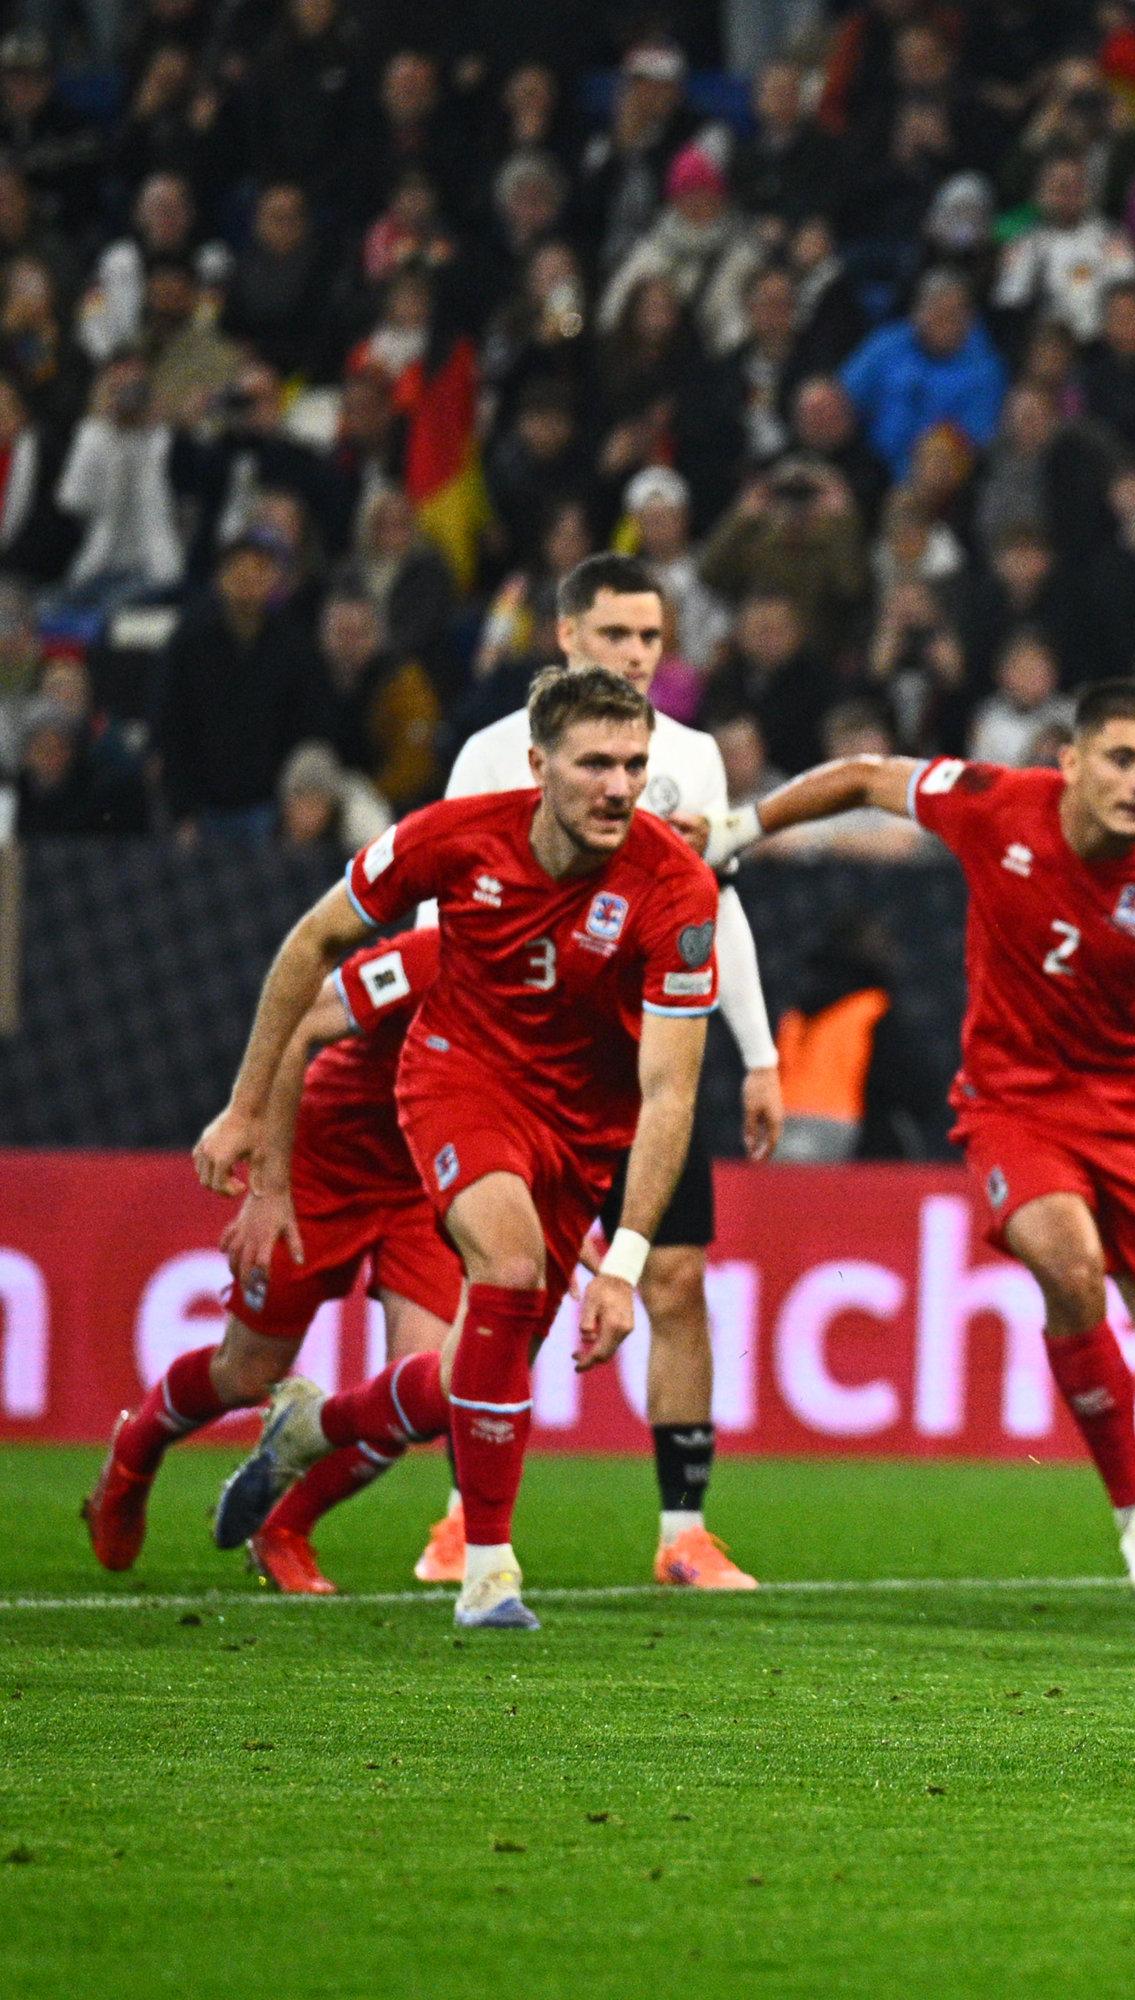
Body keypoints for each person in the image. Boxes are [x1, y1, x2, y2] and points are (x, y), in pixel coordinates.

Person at [700, 682, 1135, 1596]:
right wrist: (738, 829)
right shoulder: (994, 803)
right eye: (1122, 759)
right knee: (1068, 1261)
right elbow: (861, 776)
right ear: (1072, 762)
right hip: (1013, 1107)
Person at [196, 666, 723, 1630]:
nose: (619, 787)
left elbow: (669, 1092)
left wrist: (625, 1265)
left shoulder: (678, 889)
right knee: (509, 1269)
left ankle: (311, 1428)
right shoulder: (450, 839)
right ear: (538, 765)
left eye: (634, 764)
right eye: (595, 764)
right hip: (460, 1082)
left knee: (469, 1378)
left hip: (583, 1135)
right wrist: (244, 1109)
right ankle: (488, 1573)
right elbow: (311, 943)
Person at [432, 554, 780, 1590]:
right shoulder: (493, 754)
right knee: (505, 1286)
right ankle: (460, 1519)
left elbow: (714, 908)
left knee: (676, 1280)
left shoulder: (694, 757)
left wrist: (759, 1052)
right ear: (567, 636)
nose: (635, 654)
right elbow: (441, 908)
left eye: (651, 638)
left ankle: (684, 1532)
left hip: (648, 1063)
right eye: (617, 634)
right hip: (518, 1069)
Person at [81, 930, 462, 1592]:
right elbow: (298, 1024)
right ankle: (135, 1451)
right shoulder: (426, 958)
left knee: (421, 1396)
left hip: (422, 1187)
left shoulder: (553, 984)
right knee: (246, 1375)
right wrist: (269, 1187)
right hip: (324, 1166)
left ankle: (284, 1528)